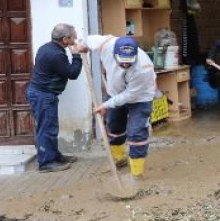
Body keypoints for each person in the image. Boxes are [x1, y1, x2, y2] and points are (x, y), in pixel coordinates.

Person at [86, 35, 157, 178]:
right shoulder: (106, 45)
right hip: (115, 92)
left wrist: (106, 104)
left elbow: (130, 95)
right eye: (122, 61)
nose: (125, 65)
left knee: (137, 132)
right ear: (114, 53)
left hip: (140, 97)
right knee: (114, 126)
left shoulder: (143, 68)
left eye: (129, 62)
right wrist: (82, 45)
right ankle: (119, 159)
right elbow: (89, 40)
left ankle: (136, 173)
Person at [27, 23, 88, 172]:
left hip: (42, 94)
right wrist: (76, 55)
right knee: (46, 129)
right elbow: (72, 73)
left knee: (50, 127)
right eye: (74, 36)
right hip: (43, 95)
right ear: (66, 39)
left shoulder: (47, 48)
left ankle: (54, 156)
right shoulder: (55, 54)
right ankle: (46, 163)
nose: (76, 39)